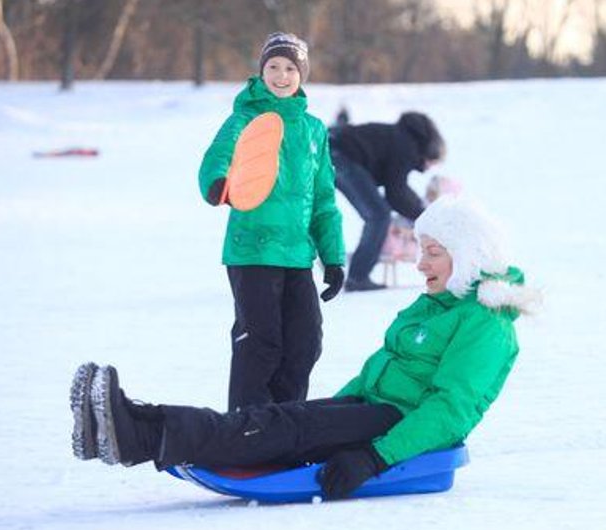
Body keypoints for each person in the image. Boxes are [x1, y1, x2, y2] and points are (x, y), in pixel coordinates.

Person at [69, 197, 539, 500]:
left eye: (432, 252)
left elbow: (452, 409)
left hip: (399, 426)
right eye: (420, 250)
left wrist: (374, 457)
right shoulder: (439, 305)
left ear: (468, 254)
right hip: (374, 409)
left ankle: (136, 435)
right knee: (288, 422)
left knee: (282, 423)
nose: (419, 264)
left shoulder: (486, 325)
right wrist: (333, 412)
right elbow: (382, 370)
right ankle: (130, 421)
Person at [197, 32, 346, 412]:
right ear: (262, 72)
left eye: (290, 68)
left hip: (297, 255)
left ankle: (283, 423)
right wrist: (218, 184)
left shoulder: (314, 130)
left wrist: (333, 257)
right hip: (252, 250)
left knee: (305, 343)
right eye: (273, 67)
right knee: (261, 342)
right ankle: (246, 425)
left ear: (302, 75)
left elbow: (324, 199)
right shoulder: (246, 117)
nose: (281, 75)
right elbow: (217, 157)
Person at [329, 111, 446, 292]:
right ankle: (357, 277)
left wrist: (418, 209)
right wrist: (424, 215)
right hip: (339, 156)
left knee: (377, 213)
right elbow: (396, 193)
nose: (430, 167)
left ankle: (343, 266)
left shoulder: (398, 138)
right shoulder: (406, 146)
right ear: (429, 150)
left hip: (329, 152)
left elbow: (396, 188)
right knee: (379, 216)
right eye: (434, 161)